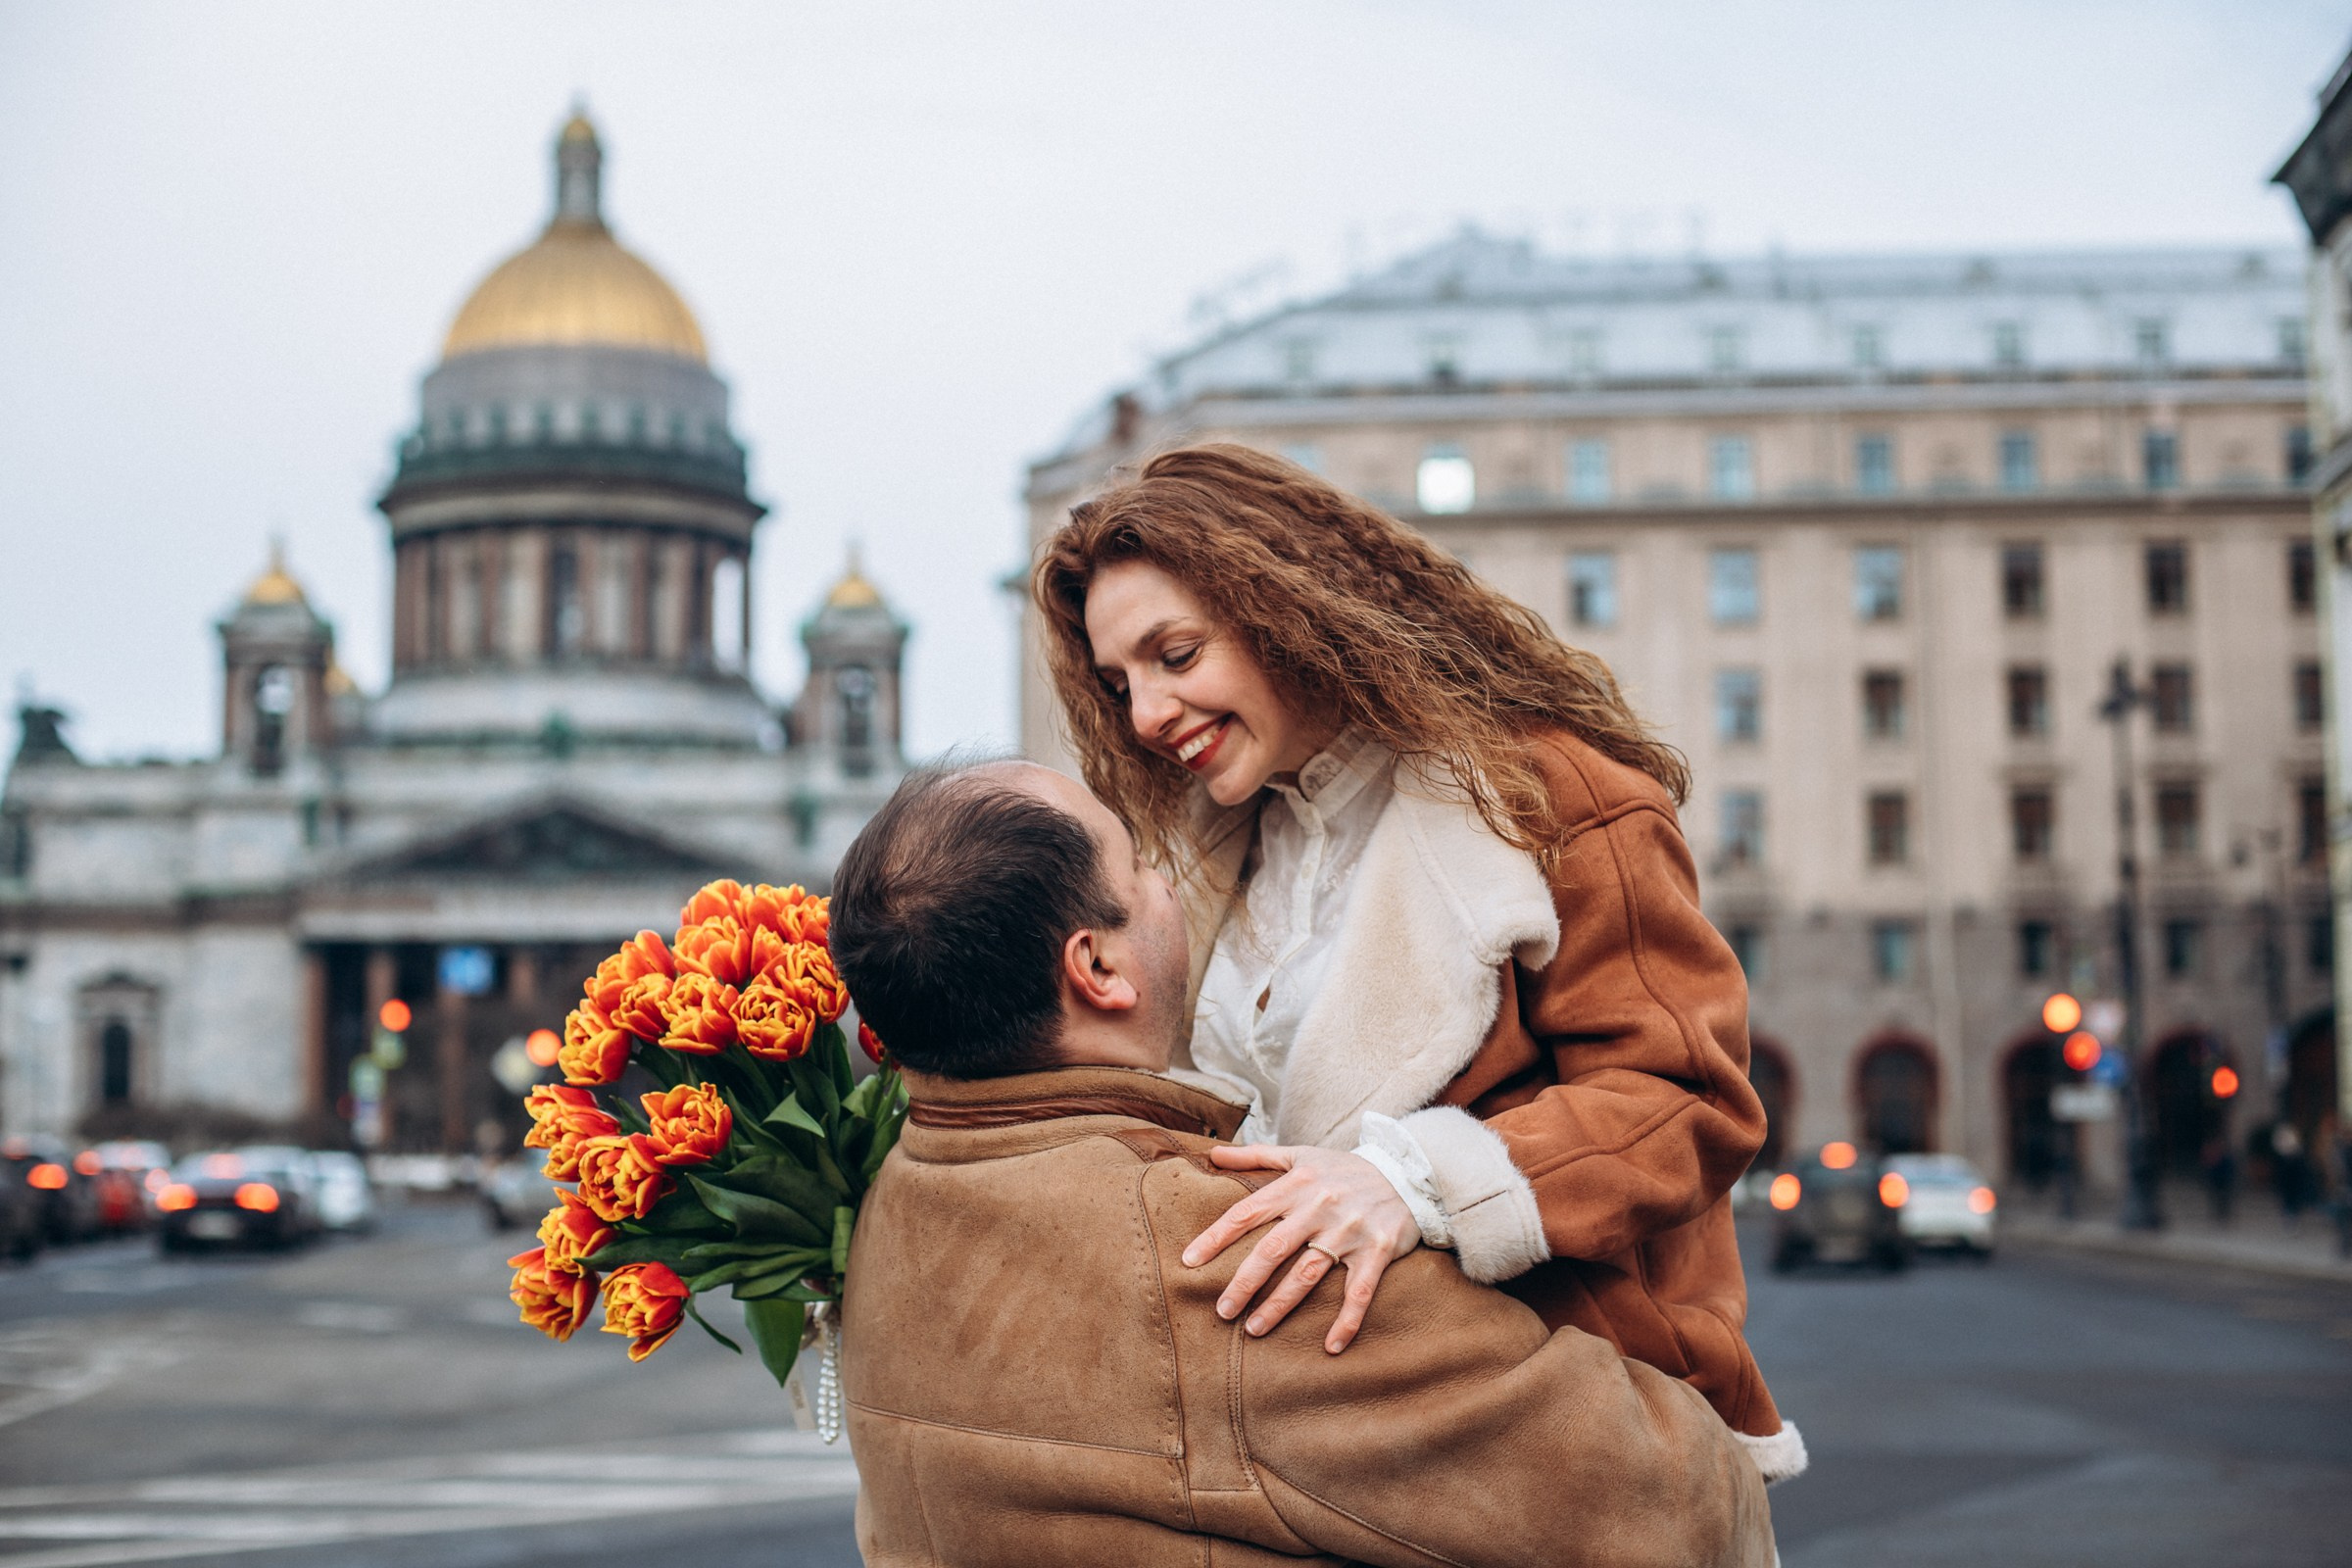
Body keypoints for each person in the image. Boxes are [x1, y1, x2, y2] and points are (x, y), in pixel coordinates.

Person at [1034, 443, 1801, 1479]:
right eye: (1119, 683)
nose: (1145, 715)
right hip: (1318, 1436)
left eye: (1176, 655)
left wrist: (1417, 1181)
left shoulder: (1550, 796)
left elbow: (1687, 1102)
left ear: (1290, 606)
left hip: (1569, 1429)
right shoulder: (1206, 856)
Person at [831, 760, 1776, 1567]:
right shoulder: (1227, 1255)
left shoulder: (887, 1211)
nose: (1171, 880)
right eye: (1142, 863)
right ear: (1098, 969)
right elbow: (1674, 1505)